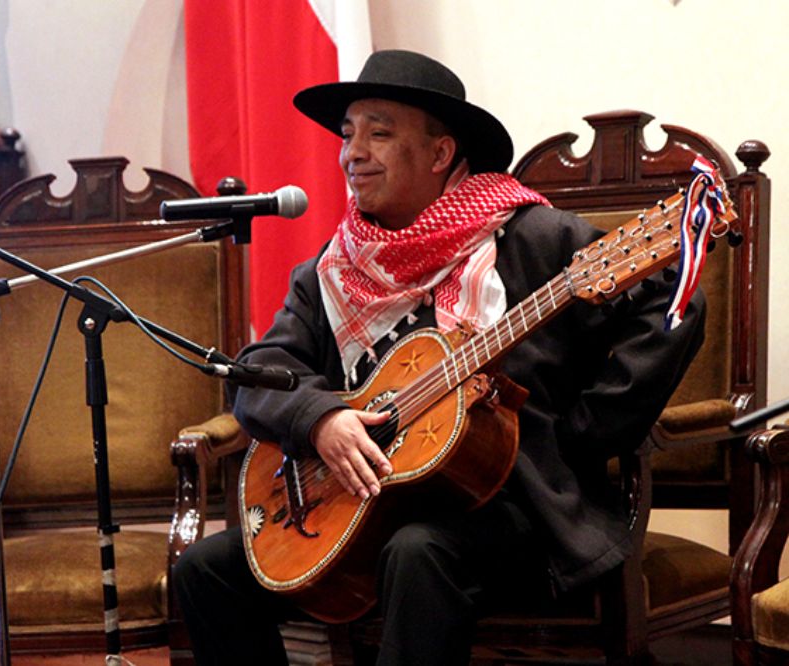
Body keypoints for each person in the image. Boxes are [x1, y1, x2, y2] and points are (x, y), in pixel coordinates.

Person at [172, 49, 705, 666]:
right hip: (363, 510)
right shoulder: (333, 269)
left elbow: (675, 300)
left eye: (379, 132)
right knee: (204, 570)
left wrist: (582, 434)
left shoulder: (536, 237)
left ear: (440, 153)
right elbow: (257, 373)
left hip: (513, 510)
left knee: (418, 552)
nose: (352, 153)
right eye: (348, 135)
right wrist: (321, 418)